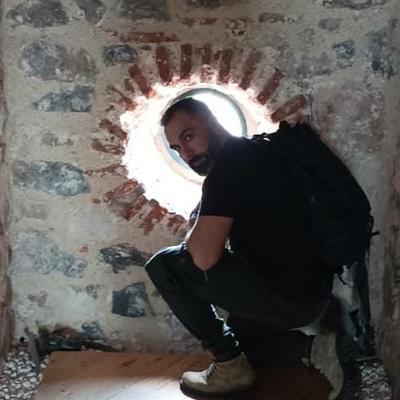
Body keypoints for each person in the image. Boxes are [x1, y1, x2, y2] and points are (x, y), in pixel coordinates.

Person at [145, 97, 360, 400]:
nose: (186, 153)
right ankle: (318, 346)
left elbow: (202, 258)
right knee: (244, 345)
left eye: (189, 136)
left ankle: (228, 366)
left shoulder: (229, 166)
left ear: (213, 121)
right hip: (313, 290)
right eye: (177, 148)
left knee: (165, 265)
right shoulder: (260, 151)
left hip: (287, 297)